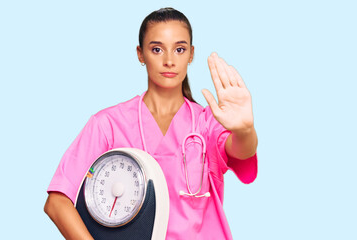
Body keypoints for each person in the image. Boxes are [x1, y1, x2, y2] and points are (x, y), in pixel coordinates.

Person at [44, 7, 258, 240]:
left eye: (179, 49)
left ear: (191, 54)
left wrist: (245, 130)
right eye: (157, 49)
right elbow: (57, 202)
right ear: (140, 54)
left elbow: (241, 150)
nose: (169, 61)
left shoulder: (207, 122)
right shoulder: (108, 125)